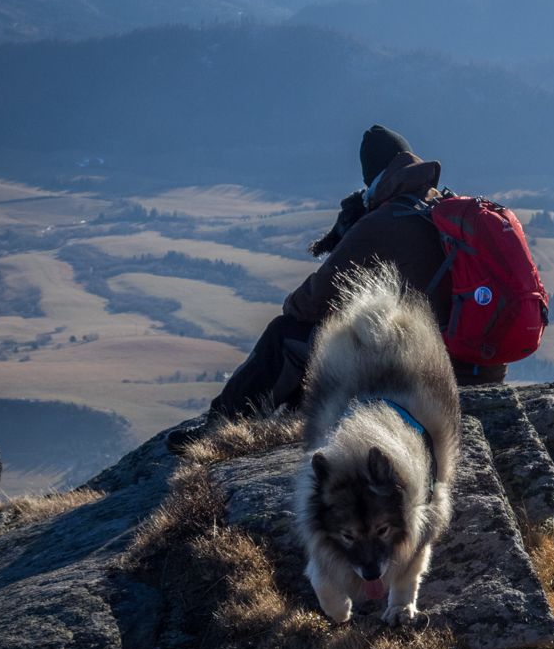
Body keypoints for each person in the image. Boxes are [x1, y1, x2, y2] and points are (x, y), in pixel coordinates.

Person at [165, 125, 506, 452]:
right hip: (479, 368)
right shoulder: (443, 208)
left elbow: (310, 303)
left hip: (428, 374)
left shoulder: (384, 222)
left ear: (372, 178)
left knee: (286, 335)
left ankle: (220, 429)